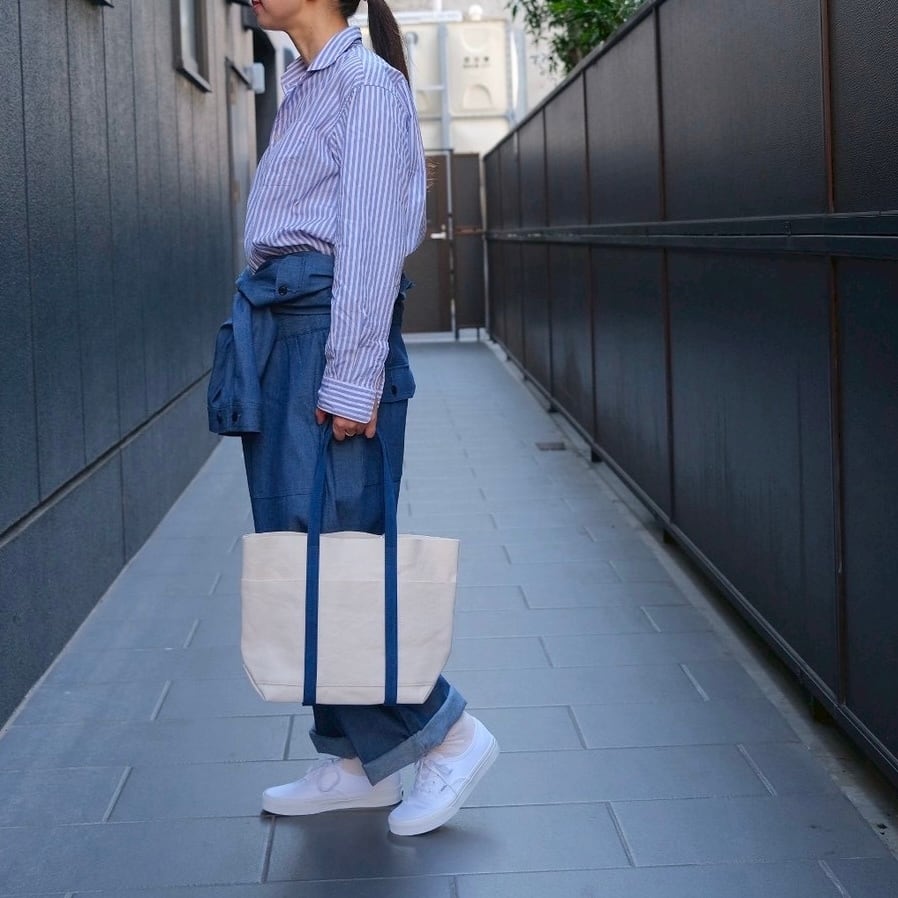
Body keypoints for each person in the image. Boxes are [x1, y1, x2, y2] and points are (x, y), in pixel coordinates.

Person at [208, 0, 498, 837]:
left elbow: (369, 241)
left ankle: (449, 735)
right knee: (307, 552)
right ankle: (354, 760)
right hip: (288, 334)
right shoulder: (305, 82)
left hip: (324, 336)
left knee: (333, 555)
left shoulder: (363, 85)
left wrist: (351, 378)